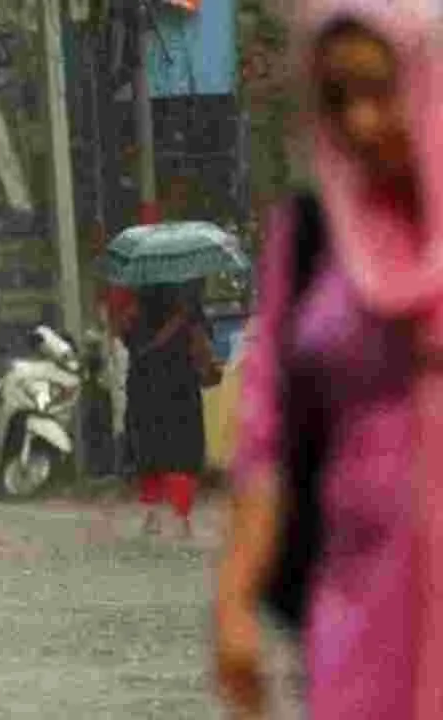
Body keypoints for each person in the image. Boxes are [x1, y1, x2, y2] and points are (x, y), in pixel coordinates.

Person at [215, 4, 443, 717]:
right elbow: (267, 435)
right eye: (338, 97)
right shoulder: (310, 237)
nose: (362, 121)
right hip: (355, 611)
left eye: (381, 88)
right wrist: (233, 606)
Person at [121, 284, 213, 538]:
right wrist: (206, 367)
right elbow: (199, 341)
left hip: (144, 383)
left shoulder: (136, 297)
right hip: (180, 384)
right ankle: (182, 519)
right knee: (183, 448)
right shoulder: (187, 298)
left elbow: (125, 335)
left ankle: (152, 515)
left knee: (148, 446)